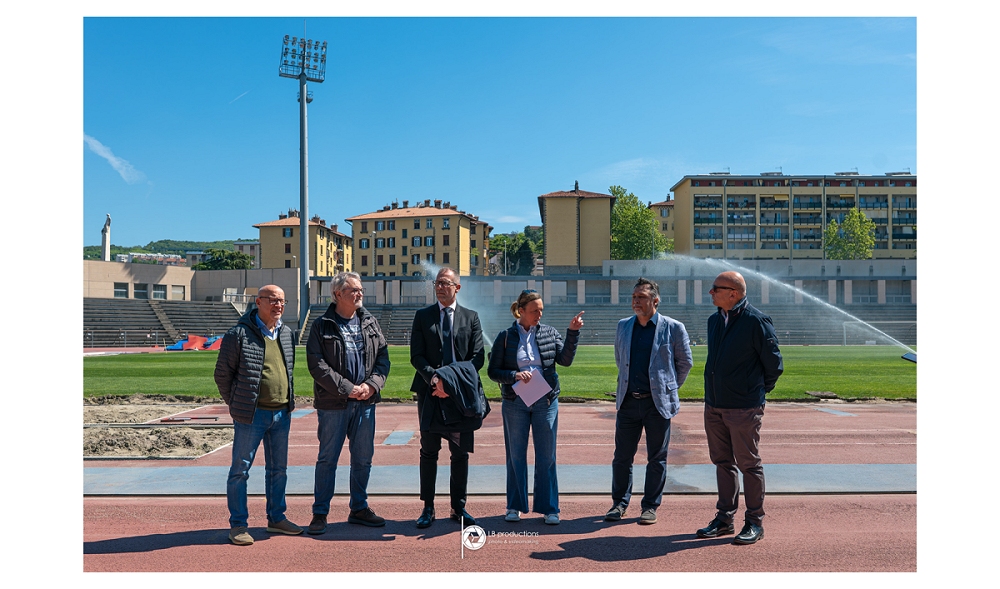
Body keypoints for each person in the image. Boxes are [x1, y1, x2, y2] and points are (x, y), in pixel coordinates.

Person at [696, 271, 783, 545]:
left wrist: (753, 392)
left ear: (733, 293)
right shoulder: (714, 320)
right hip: (715, 405)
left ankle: (755, 521)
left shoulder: (756, 321)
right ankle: (724, 519)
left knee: (748, 464)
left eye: (716, 288)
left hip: (744, 407)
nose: (711, 292)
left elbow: (774, 365)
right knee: (722, 462)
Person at [214, 284, 302, 546]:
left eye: (282, 301)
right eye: (273, 300)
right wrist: (237, 404)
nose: (278, 305)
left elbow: (288, 370)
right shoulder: (238, 334)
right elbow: (222, 375)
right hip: (251, 415)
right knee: (240, 471)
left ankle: (277, 518)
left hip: (281, 414)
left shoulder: (286, 333)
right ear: (258, 302)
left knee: (278, 470)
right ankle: (238, 525)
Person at [488, 290, 584, 525]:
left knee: (547, 456)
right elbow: (493, 371)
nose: (539, 314)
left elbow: (565, 360)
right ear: (521, 311)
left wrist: (572, 333)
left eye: (541, 310)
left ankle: (549, 508)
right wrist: (514, 375)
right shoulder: (505, 337)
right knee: (516, 456)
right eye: (534, 311)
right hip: (515, 402)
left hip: (545, 401)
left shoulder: (550, 333)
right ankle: (514, 506)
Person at [306, 272, 391, 534]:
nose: (359, 293)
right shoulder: (322, 326)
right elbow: (317, 365)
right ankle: (320, 513)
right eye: (353, 290)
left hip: (365, 402)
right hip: (334, 404)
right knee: (327, 460)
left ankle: (359, 508)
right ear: (337, 294)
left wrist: (371, 385)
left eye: (360, 289)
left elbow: (383, 359)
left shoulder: (370, 322)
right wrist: (347, 388)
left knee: (363, 458)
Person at [606, 277, 693, 525]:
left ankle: (650, 506)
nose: (635, 301)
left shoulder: (674, 327)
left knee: (657, 457)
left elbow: (685, 363)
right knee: (622, 457)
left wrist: (668, 388)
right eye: (634, 297)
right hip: (628, 402)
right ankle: (619, 504)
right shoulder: (623, 326)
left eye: (641, 297)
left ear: (655, 300)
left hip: (657, 404)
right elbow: (620, 359)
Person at [410, 267, 485, 528]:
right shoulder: (422, 316)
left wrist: (450, 384)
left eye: (445, 283)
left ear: (457, 287)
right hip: (430, 393)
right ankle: (428, 507)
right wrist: (436, 380)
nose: (440, 287)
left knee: (460, 454)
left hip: (460, 396)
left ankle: (458, 507)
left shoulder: (471, 317)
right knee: (429, 451)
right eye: (437, 283)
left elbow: (477, 358)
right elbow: (416, 356)